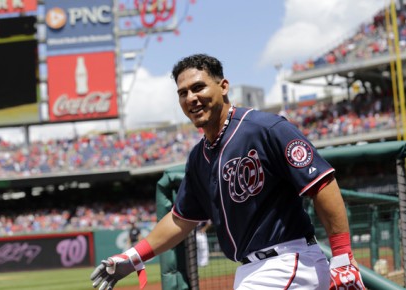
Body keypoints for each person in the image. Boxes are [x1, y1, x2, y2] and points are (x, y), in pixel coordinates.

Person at [90, 54, 365, 290]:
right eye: (183, 93)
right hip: (251, 270)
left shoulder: (264, 128)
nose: (191, 98)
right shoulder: (199, 157)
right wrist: (132, 257)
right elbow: (179, 220)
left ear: (223, 86)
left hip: (288, 261)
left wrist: (342, 256)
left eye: (198, 87)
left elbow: (322, 183)